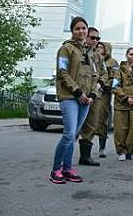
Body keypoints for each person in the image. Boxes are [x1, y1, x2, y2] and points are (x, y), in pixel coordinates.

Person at [49, 16, 98, 184]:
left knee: (74, 134)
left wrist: (92, 95)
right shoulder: (65, 49)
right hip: (70, 96)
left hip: (85, 99)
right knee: (69, 134)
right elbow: (62, 73)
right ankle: (56, 169)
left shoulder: (89, 51)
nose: (81, 31)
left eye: (84, 28)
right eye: (77, 28)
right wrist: (78, 93)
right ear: (72, 31)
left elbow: (94, 75)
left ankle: (67, 169)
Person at [78, 27, 108, 166]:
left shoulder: (98, 56)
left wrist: (99, 85)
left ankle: (85, 156)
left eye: (97, 38)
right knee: (74, 126)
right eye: (92, 37)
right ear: (86, 37)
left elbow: (105, 74)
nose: (95, 40)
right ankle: (65, 156)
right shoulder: (78, 52)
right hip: (79, 93)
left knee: (92, 124)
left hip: (95, 95)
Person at [95, 42, 120, 158]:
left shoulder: (112, 62)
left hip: (104, 92)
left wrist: (106, 85)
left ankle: (102, 146)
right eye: (97, 47)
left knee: (102, 118)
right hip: (92, 90)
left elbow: (116, 78)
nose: (99, 49)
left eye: (101, 47)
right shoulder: (93, 59)